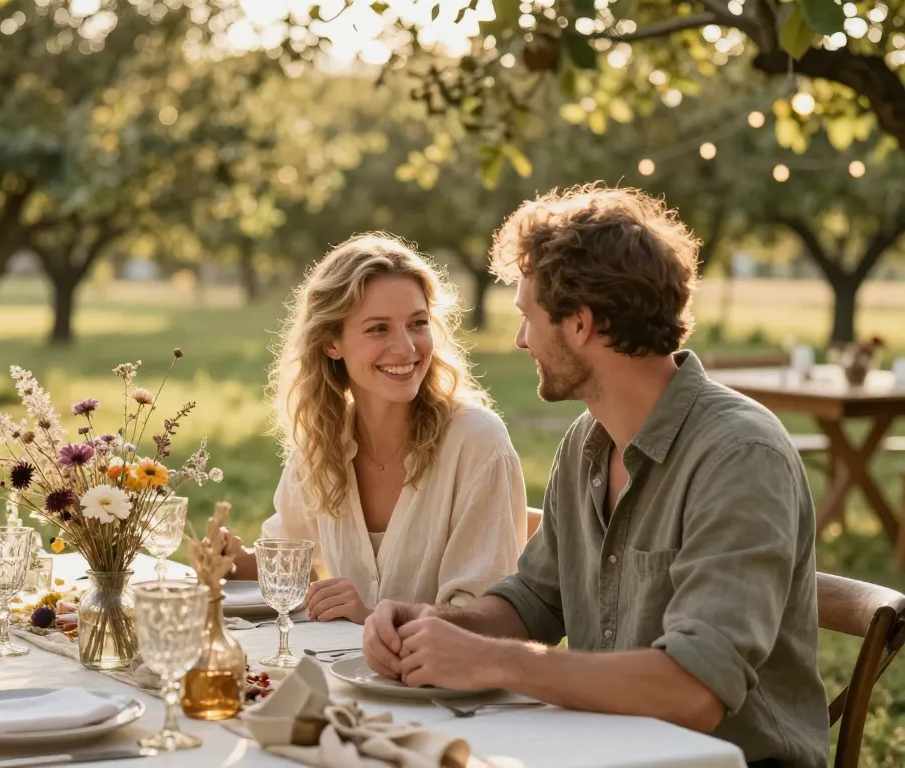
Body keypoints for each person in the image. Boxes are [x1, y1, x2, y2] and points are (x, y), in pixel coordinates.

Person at [362, 186, 829, 768]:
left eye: (529, 318)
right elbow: (535, 599)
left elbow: (693, 690)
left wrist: (496, 662)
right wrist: (437, 623)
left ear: (580, 323)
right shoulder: (587, 442)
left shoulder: (740, 456)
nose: (521, 339)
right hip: (600, 751)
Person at [228, 232, 528, 625]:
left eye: (417, 323)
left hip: (442, 685)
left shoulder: (476, 441)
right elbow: (286, 561)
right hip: (344, 678)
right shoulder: (322, 444)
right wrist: (231, 563)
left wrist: (369, 617)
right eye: (378, 329)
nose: (405, 348)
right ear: (332, 342)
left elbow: (484, 620)